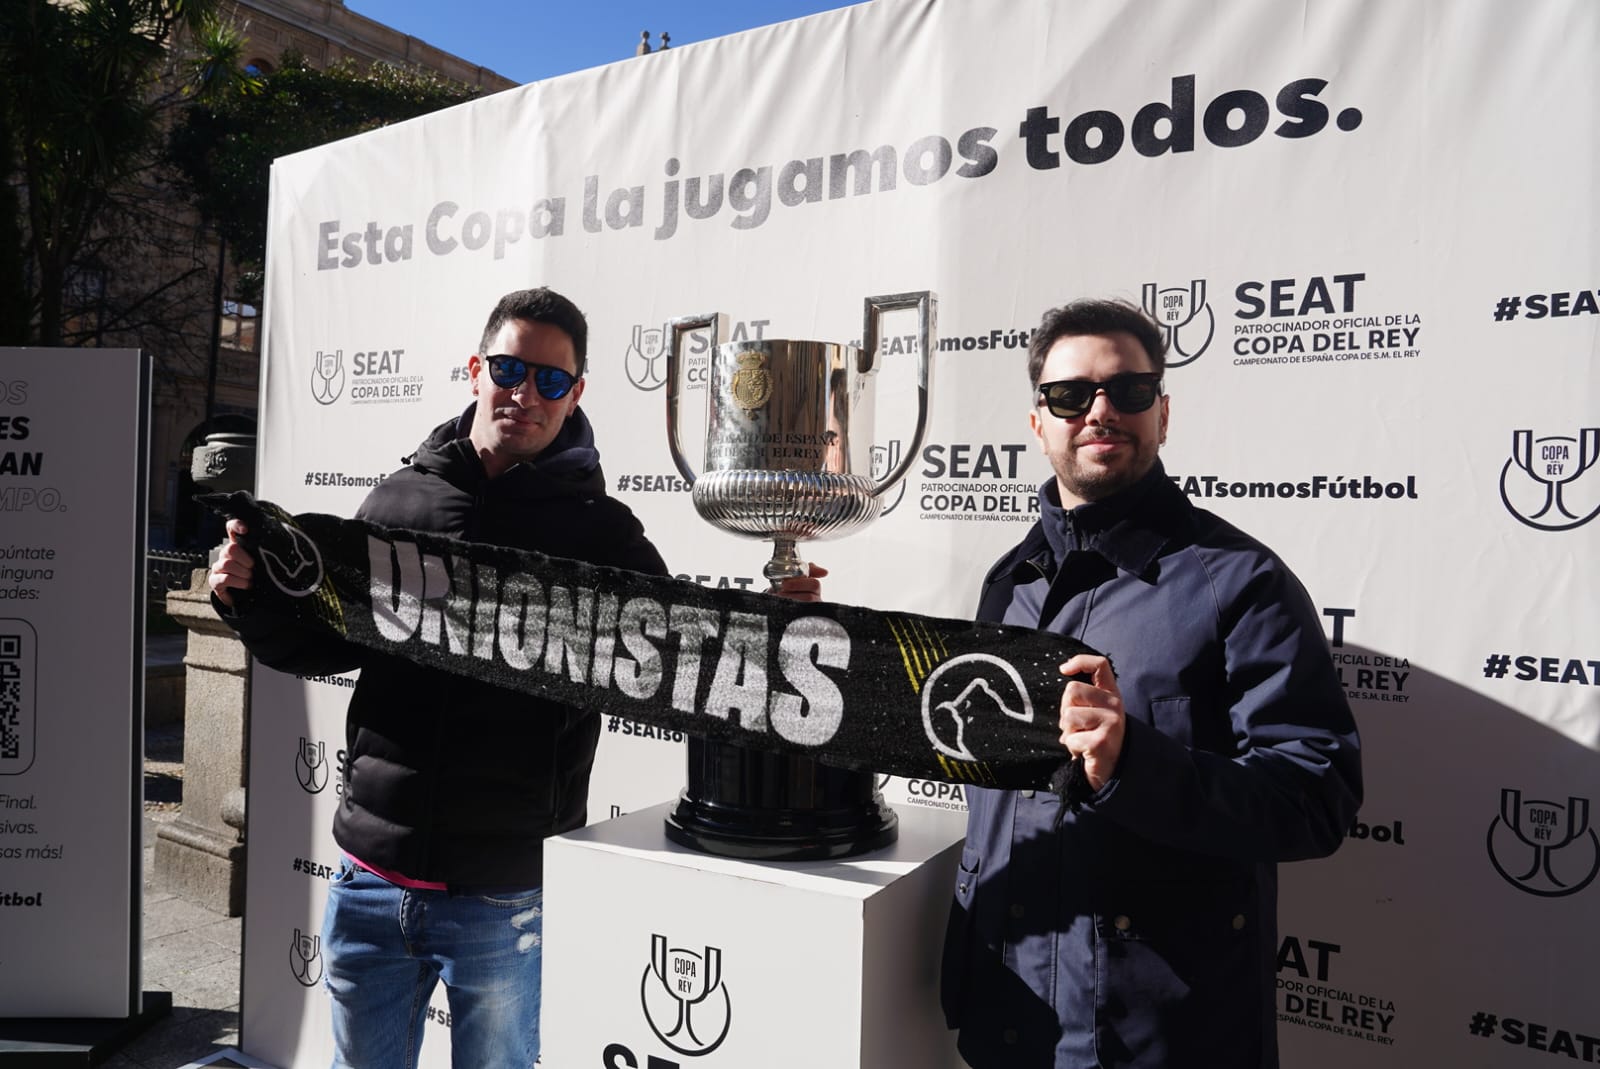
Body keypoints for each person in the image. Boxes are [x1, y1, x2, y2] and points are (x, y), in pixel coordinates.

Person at [209, 287, 685, 1067]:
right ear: (476, 369)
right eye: (509, 368)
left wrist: (780, 619)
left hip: (503, 894)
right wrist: (247, 600)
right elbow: (325, 645)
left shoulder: (603, 532)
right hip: (368, 877)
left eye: (551, 379)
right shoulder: (403, 498)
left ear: (576, 395)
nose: (526, 392)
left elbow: (676, 659)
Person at [939, 298, 1362, 1069]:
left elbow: (1318, 796)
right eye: (1071, 395)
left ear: (1162, 414)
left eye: (1128, 391)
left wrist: (1133, 763)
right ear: (1039, 423)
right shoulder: (1009, 582)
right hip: (1009, 1025)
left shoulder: (1243, 583)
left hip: (1160, 1043)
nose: (1101, 411)